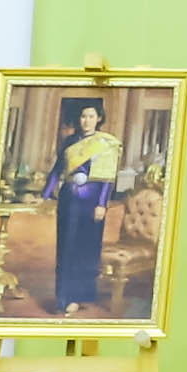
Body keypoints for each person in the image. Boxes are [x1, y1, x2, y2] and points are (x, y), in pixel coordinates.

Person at [47, 100, 121, 316]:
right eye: (83, 116)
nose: (86, 121)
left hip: (92, 203)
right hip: (69, 201)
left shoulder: (106, 143)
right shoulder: (70, 141)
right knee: (66, 248)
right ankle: (63, 297)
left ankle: (78, 296)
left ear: (99, 118)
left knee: (85, 250)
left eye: (91, 116)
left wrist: (102, 204)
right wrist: (43, 194)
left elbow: (107, 179)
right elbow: (56, 171)